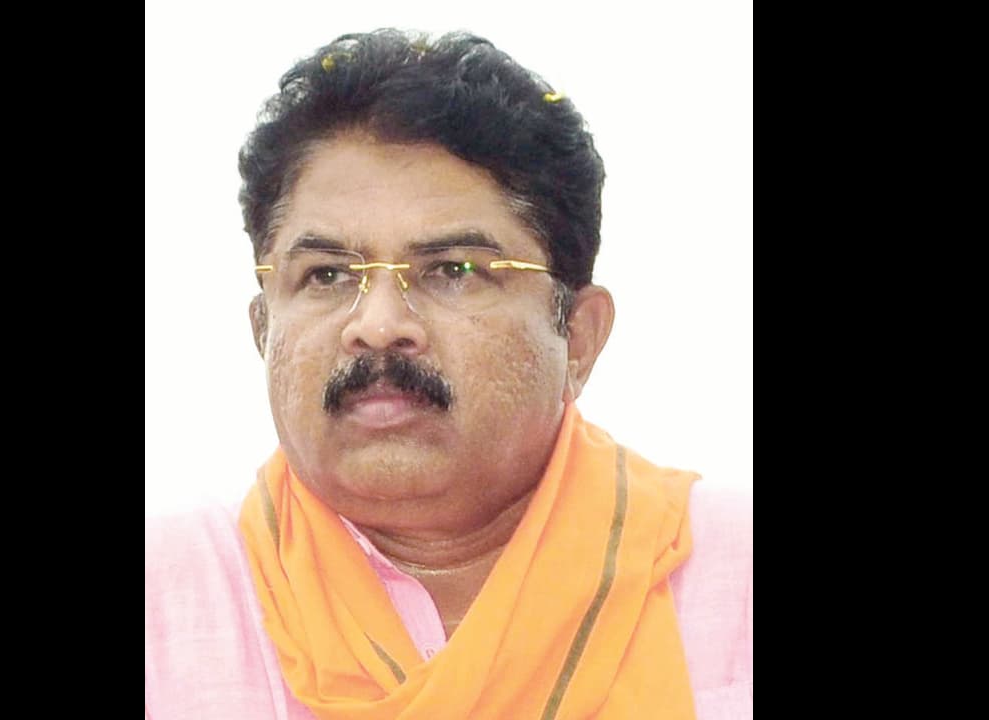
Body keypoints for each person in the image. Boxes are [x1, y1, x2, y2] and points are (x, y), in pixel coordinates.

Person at [145, 29, 751, 720]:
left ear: (578, 338)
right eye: (327, 274)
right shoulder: (164, 594)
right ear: (264, 330)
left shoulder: (734, 576)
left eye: (453, 270)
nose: (377, 325)